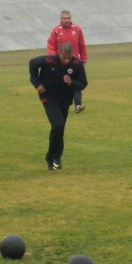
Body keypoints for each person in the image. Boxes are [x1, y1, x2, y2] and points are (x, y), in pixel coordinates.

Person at [29, 42, 88, 171]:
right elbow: (32, 64)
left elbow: (83, 83)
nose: (66, 61)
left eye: (69, 58)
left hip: (65, 99)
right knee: (58, 125)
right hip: (48, 97)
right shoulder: (48, 60)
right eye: (64, 57)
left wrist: (71, 82)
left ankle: (55, 156)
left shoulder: (76, 64)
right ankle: (52, 157)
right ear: (59, 53)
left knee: (59, 128)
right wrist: (37, 83)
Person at [47, 10, 88, 113]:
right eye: (64, 18)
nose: (66, 20)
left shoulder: (77, 29)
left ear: (71, 18)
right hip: (62, 62)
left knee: (76, 83)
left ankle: (78, 105)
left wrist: (83, 58)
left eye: (68, 18)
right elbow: (51, 46)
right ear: (61, 20)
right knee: (62, 83)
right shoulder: (56, 31)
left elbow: (82, 45)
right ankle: (59, 104)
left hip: (75, 62)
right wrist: (54, 58)